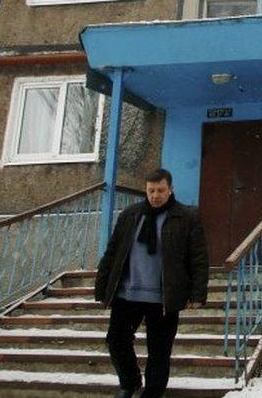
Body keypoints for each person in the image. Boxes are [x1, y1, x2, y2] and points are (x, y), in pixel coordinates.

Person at [94, 168, 209, 398]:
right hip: (128, 295)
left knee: (159, 351)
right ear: (145, 190)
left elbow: (198, 258)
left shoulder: (185, 217)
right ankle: (130, 383)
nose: (155, 195)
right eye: (151, 190)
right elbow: (113, 251)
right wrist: (102, 284)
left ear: (171, 189)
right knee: (116, 340)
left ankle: (153, 393)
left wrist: (197, 294)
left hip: (163, 297)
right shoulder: (131, 215)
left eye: (161, 190)